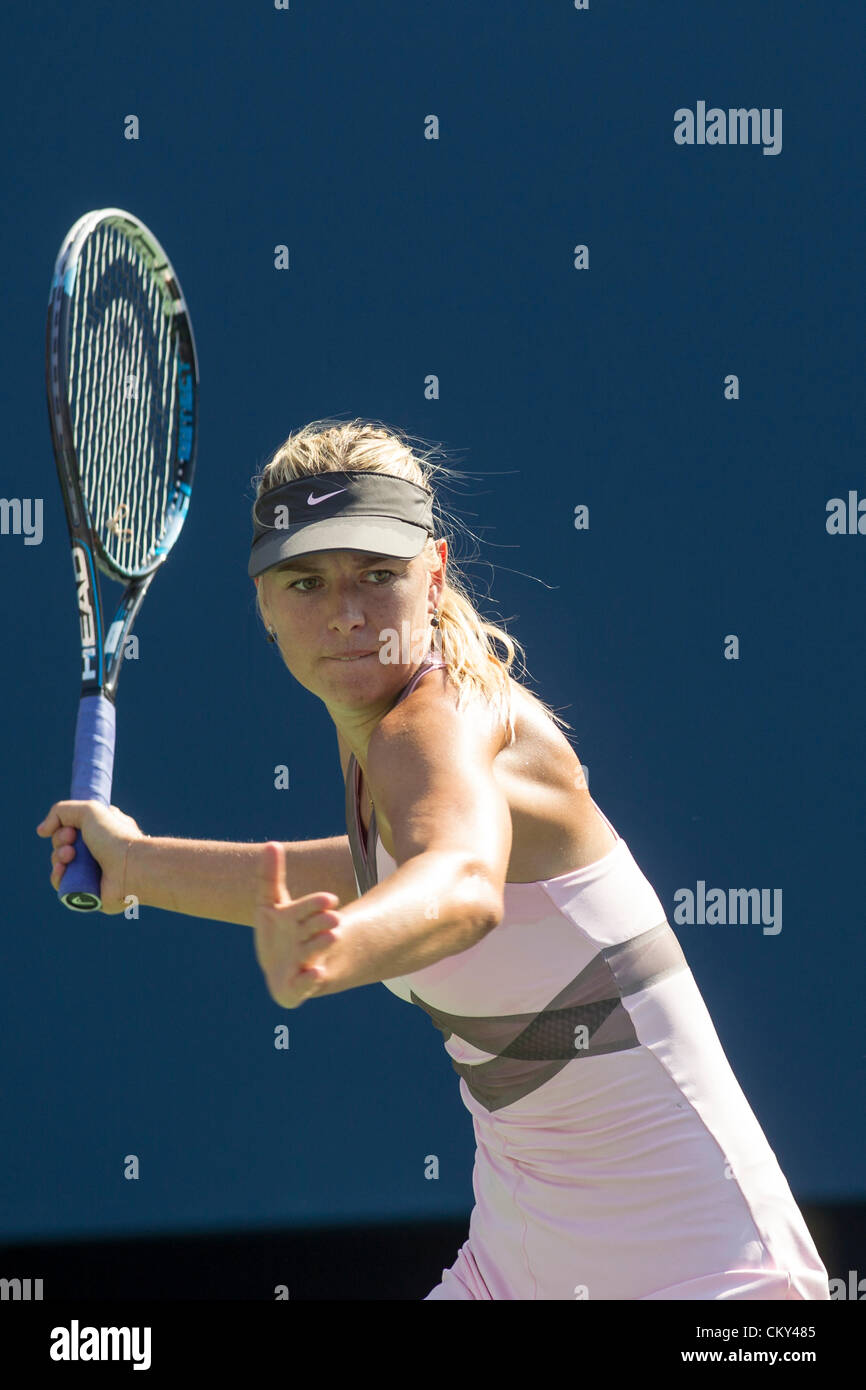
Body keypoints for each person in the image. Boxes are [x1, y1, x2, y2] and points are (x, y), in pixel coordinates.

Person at [37, 420, 831, 1301]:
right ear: (263, 603)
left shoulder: (440, 720)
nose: (346, 612)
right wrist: (137, 863)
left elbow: (458, 886)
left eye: (379, 574)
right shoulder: (384, 740)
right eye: (306, 581)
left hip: (705, 1277)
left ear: (436, 573)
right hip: (517, 1260)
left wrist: (337, 949)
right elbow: (374, 869)